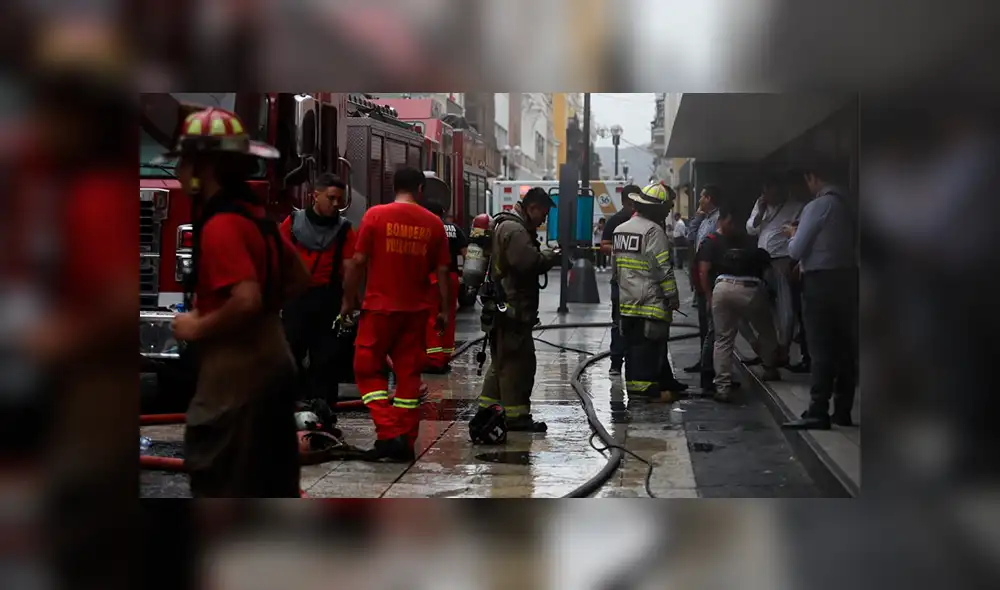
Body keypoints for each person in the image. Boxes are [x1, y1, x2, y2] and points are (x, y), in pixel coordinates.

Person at [163, 107, 310, 497]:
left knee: (223, 481)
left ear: (204, 168)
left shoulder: (221, 226)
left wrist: (197, 325)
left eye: (184, 161)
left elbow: (245, 299)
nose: (178, 172)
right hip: (274, 365)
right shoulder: (254, 217)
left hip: (236, 381)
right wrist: (263, 312)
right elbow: (299, 276)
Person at [343, 167, 451, 461]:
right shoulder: (433, 224)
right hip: (415, 313)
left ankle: (389, 433)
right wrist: (442, 310)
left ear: (394, 187)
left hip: (378, 310)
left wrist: (348, 301)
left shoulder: (375, 216)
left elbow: (357, 262)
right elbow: (442, 271)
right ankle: (406, 439)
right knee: (408, 376)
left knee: (367, 369)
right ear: (420, 189)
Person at [476, 187, 561, 432]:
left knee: (502, 363)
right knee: (518, 366)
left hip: (505, 310)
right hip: (511, 311)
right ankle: (516, 417)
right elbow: (528, 263)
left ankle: (487, 410)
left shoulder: (509, 225)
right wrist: (551, 255)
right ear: (532, 207)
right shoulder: (515, 230)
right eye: (543, 214)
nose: (544, 220)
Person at [782, 166, 859, 430]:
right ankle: (843, 410)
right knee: (846, 348)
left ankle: (818, 410)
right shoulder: (850, 205)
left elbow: (796, 250)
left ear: (812, 176)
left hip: (821, 281)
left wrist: (793, 235)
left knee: (821, 347)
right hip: (849, 278)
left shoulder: (818, 206)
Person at [280, 173, 356, 409]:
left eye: (340, 200)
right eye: (331, 198)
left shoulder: (344, 230)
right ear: (315, 195)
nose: (336, 204)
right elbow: (278, 261)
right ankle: (290, 405)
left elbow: (349, 269)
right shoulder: (292, 223)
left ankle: (323, 408)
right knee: (290, 353)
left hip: (328, 299)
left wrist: (348, 303)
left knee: (326, 359)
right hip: (296, 299)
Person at [698, 206, 782, 402]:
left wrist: (710, 298)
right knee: (767, 329)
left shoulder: (715, 242)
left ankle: (722, 388)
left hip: (721, 287)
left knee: (723, 339)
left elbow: (704, 271)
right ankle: (769, 368)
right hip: (750, 288)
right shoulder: (750, 245)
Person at [613, 183, 687, 401]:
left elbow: (615, 270)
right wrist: (673, 297)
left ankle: (654, 384)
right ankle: (644, 391)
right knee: (648, 351)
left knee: (633, 349)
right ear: (657, 209)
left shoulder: (620, 230)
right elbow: (663, 270)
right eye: (666, 208)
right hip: (650, 304)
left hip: (627, 303)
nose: (668, 213)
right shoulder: (654, 232)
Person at [746, 176, 804, 368]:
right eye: (763, 193)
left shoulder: (795, 207)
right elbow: (751, 230)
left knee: (785, 310)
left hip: (782, 261)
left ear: (778, 191)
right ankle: (768, 350)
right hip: (761, 263)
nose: (765, 196)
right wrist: (760, 212)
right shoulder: (761, 205)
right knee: (762, 308)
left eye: (769, 193)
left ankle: (783, 349)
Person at [423, 201, 467, 374]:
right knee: (449, 317)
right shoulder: (454, 229)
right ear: (442, 212)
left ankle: (434, 360)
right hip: (452, 277)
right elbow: (466, 253)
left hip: (434, 278)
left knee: (432, 318)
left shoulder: (428, 228)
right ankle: (446, 356)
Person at [684, 185, 722, 378]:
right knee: (703, 320)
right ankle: (704, 359)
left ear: (709, 198)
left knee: (712, 320)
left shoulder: (718, 220)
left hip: (711, 272)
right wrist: (697, 217)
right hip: (700, 271)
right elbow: (690, 237)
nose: (699, 200)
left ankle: (712, 363)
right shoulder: (705, 219)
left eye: (701, 197)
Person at [600, 187, 638, 376]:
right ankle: (616, 362)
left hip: (639, 281)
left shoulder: (643, 222)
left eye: (636, 203)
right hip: (619, 280)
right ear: (623, 202)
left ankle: (635, 360)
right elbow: (603, 245)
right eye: (630, 203)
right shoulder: (615, 221)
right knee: (618, 322)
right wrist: (622, 247)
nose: (633, 207)